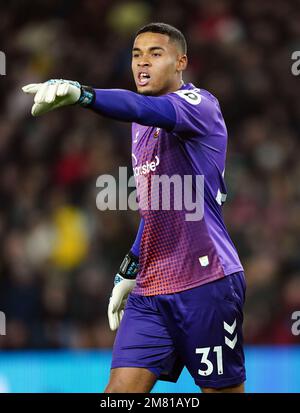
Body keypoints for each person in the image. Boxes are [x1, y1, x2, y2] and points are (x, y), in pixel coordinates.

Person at [22, 22, 246, 393]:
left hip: (205, 282)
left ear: (181, 62)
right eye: (136, 55)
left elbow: (139, 105)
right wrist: (130, 267)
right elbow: (157, 206)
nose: (143, 63)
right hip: (151, 288)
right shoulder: (140, 127)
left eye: (156, 54)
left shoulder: (200, 106)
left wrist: (83, 94)